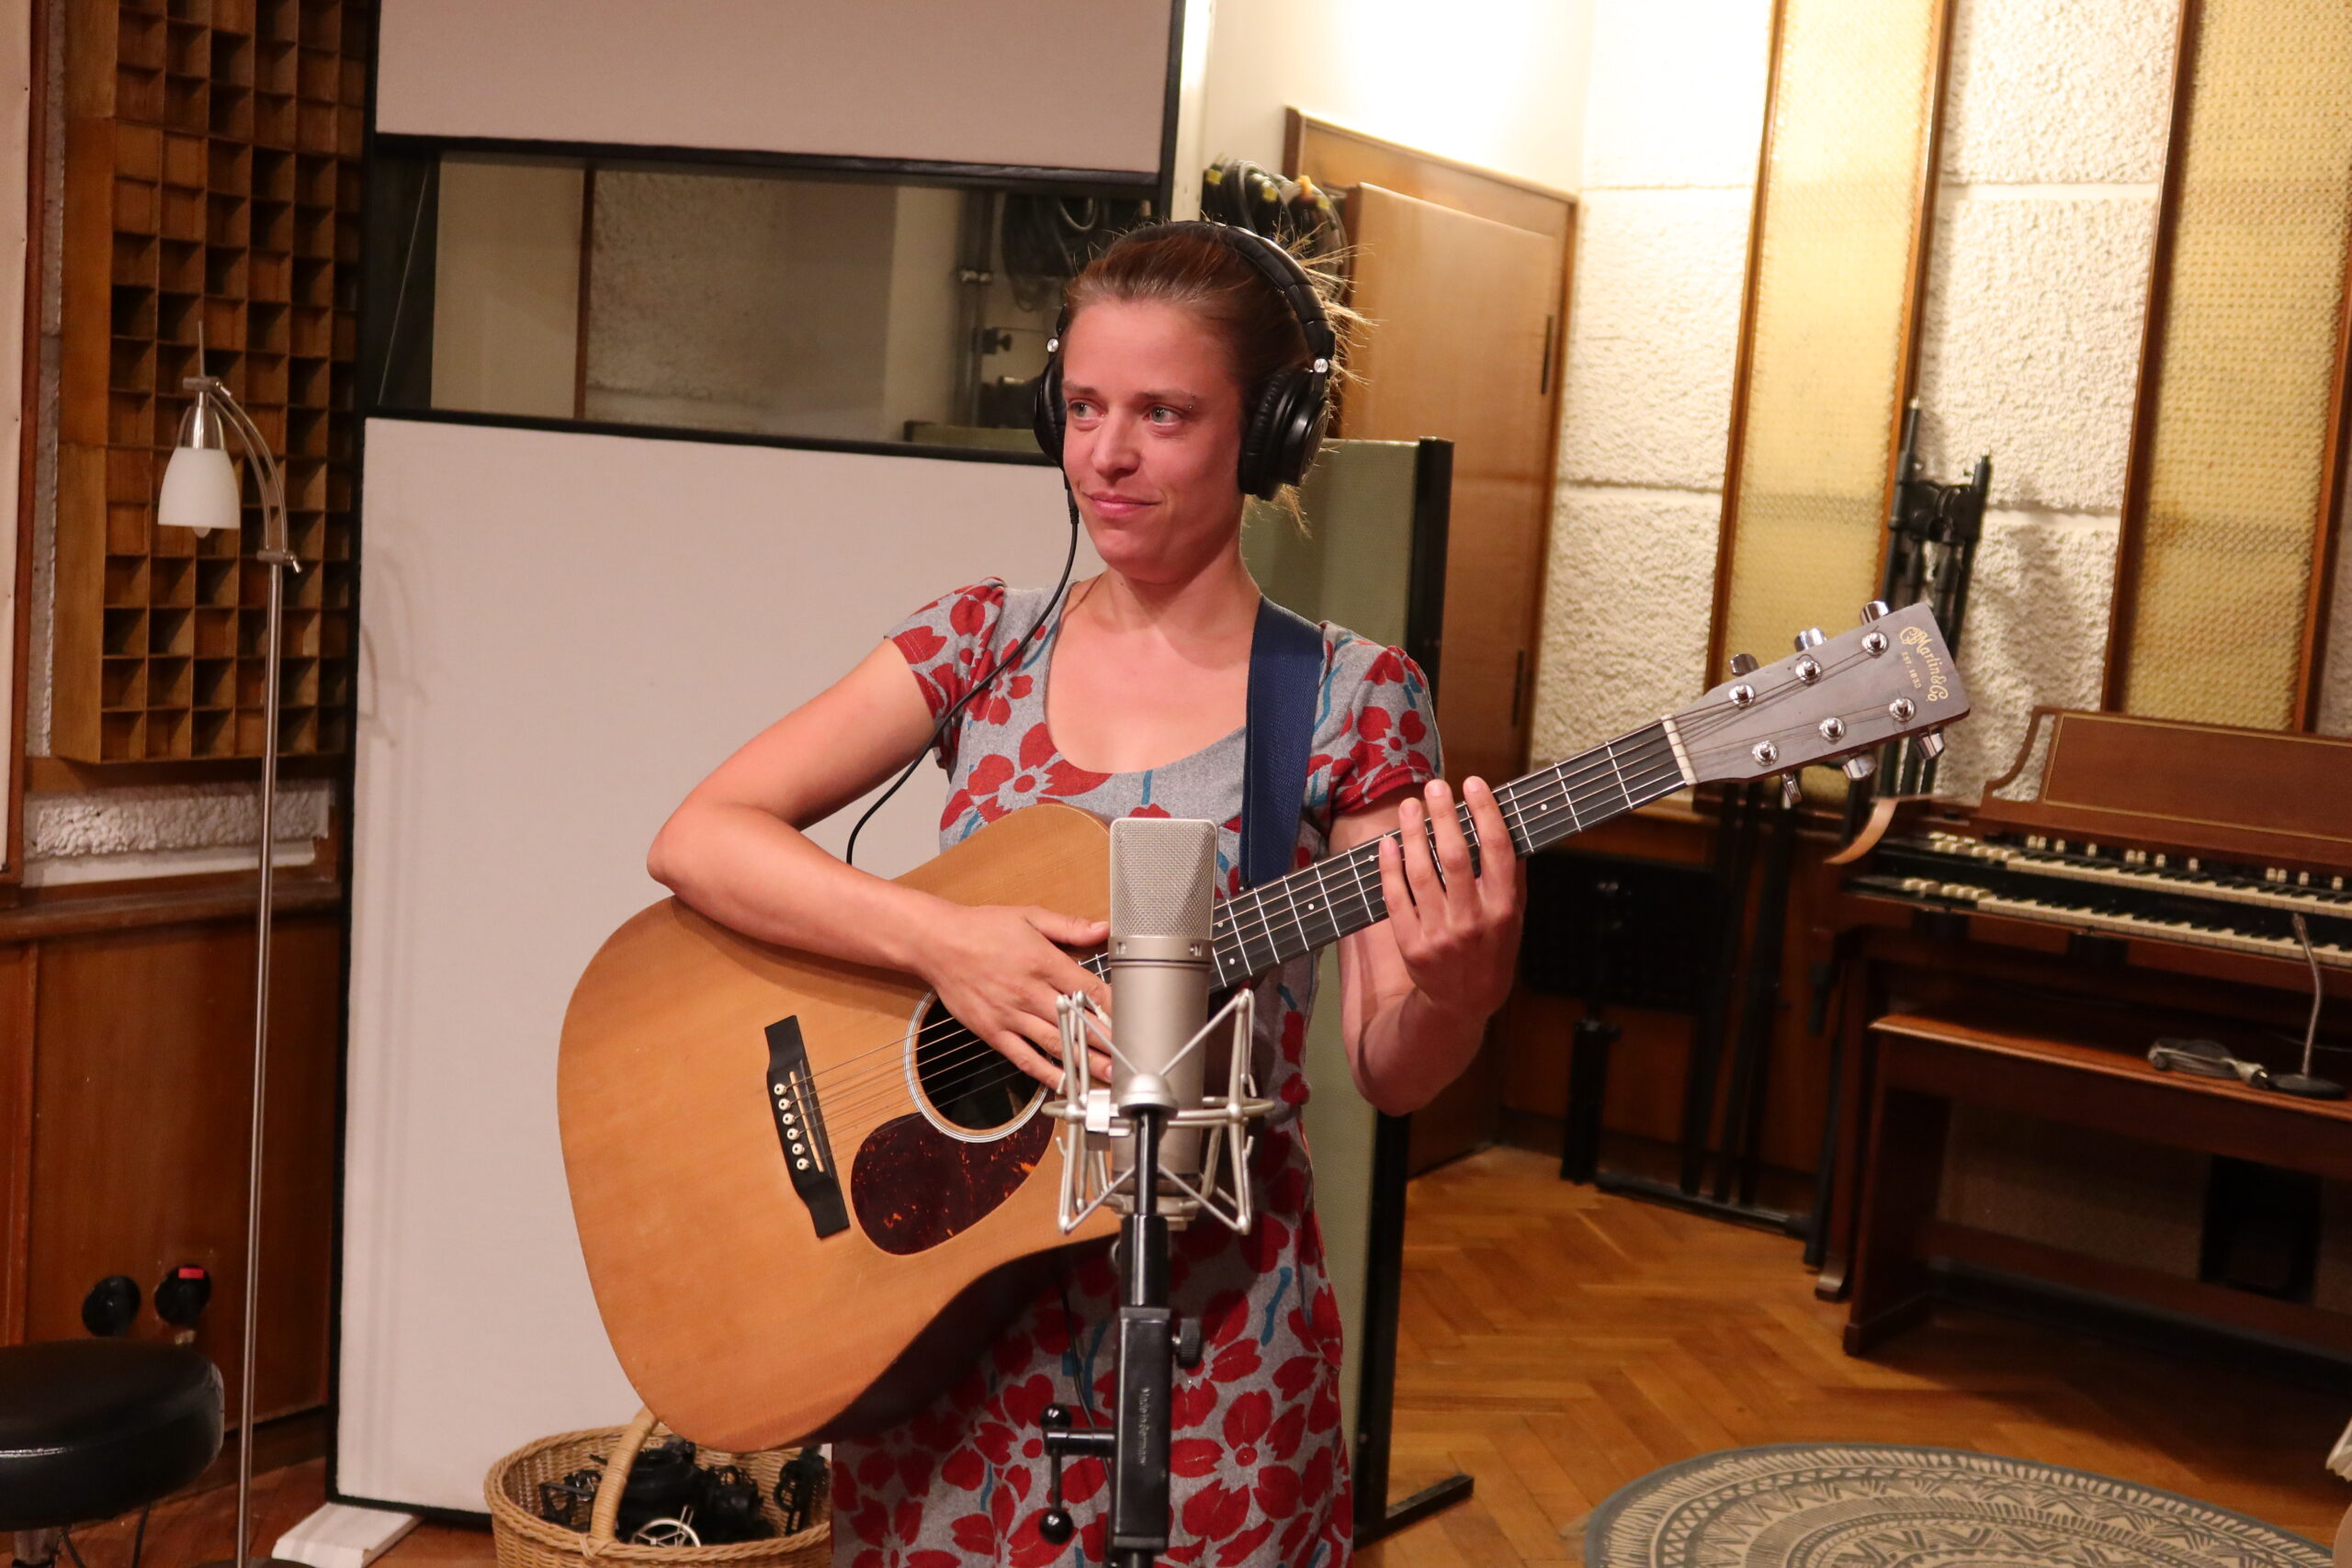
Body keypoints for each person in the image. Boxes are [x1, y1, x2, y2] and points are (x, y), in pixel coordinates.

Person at [647, 222, 1526, 1568]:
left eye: (1164, 415)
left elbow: (1387, 1063)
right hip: (943, 1315)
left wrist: (1460, 984)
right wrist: (944, 943)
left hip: (1214, 1343)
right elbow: (702, 836)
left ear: (1270, 431)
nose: (1106, 456)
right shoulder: (980, 641)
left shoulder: (1349, 697)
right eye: (1085, 407)